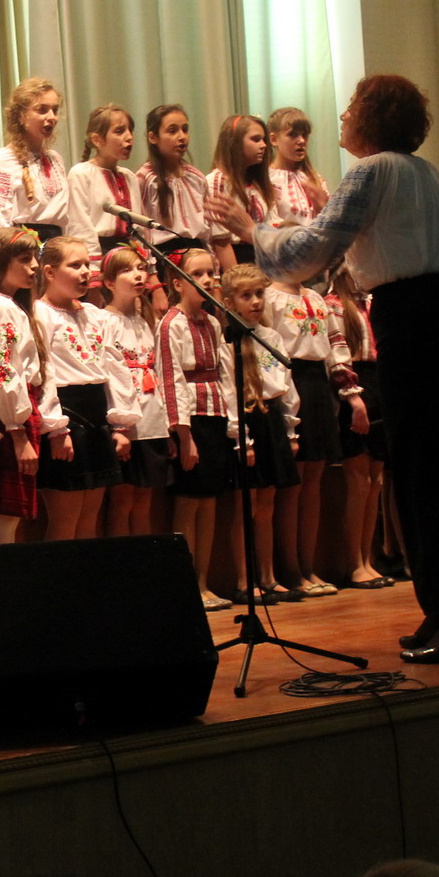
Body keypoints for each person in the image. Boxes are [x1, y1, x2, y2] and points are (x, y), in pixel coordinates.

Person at [207, 73, 439, 664]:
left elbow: (309, 253)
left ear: (373, 119)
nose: (342, 116)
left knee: (425, 466)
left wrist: (249, 228)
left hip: (414, 318)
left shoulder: (371, 172)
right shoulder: (421, 170)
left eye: (351, 108)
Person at [263, 268, 360, 597]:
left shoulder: (316, 298)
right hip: (290, 381)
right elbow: (269, 346)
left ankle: (309, 566)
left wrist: (346, 390)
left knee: (315, 476)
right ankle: (291, 569)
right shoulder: (270, 297)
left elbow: (335, 345)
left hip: (318, 383)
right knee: (294, 481)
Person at [34, 236, 138, 540]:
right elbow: (44, 372)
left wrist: (120, 424)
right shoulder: (40, 314)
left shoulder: (95, 315)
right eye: (75, 265)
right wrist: (56, 429)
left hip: (96, 417)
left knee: (89, 521)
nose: (85, 272)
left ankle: (84, 573)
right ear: (50, 272)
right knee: (65, 522)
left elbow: (115, 369)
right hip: (66, 419)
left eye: (87, 265)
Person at [156, 247, 234, 610]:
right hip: (191, 421)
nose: (206, 281)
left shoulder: (213, 322)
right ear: (177, 283)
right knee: (189, 503)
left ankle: (204, 581)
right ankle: (188, 586)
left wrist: (234, 424)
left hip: (215, 415)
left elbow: (226, 373)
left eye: (210, 274)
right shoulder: (171, 324)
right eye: (197, 274)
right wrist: (184, 435)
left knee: (210, 502)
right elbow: (170, 379)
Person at [219, 264, 301, 604]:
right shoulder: (229, 342)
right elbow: (229, 391)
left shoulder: (272, 337)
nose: (255, 301)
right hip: (248, 423)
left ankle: (268, 576)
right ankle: (244, 580)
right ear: (228, 301)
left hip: (272, 421)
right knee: (246, 505)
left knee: (267, 504)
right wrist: (242, 439)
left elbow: (287, 386)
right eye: (246, 296)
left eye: (259, 294)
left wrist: (291, 429)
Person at [0, 226, 49, 544]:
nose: (34, 266)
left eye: (34, 258)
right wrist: (17, 433)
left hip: (20, 411)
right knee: (5, 513)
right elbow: (1, 371)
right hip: (11, 418)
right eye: (24, 259)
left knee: (12, 515)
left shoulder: (11, 305)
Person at [324, 266, 394, 589]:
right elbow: (338, 358)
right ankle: (353, 563)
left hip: (379, 384)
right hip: (354, 387)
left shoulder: (371, 302)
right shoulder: (335, 305)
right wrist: (353, 398)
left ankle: (368, 559)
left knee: (376, 480)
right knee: (359, 481)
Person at [98, 247, 167, 536]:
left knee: (143, 501)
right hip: (125, 422)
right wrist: (119, 425)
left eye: (140, 268)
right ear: (109, 282)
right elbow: (107, 376)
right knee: (122, 499)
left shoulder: (148, 319)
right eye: (127, 270)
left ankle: (144, 559)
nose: (138, 275)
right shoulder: (103, 320)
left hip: (152, 419)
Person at [137, 104, 231, 262]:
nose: (182, 136)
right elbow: (140, 233)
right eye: (172, 131)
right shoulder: (145, 178)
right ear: (153, 137)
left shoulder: (196, 178)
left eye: (185, 130)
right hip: (163, 257)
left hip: (198, 256)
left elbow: (211, 234)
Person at [0, 77, 68, 242]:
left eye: (55, 110)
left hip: (57, 245)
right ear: (21, 116)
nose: (52, 117)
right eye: (42, 110)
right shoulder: (3, 159)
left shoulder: (55, 160)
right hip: (23, 244)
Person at [67, 104, 143, 271]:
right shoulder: (81, 174)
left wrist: (144, 263)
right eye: (119, 131)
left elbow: (138, 227)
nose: (129, 137)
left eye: (130, 130)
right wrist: (93, 267)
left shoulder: (129, 176)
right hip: (100, 256)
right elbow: (80, 226)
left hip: (129, 258)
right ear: (97, 140)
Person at [203, 114, 278, 266]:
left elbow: (273, 226)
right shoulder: (216, 183)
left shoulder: (259, 184)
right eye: (256, 139)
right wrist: (237, 278)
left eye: (264, 139)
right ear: (234, 143)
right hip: (237, 260)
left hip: (265, 258)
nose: (264, 145)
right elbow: (221, 243)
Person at [267, 106, 330, 225]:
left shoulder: (315, 179)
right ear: (274, 139)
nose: (301, 141)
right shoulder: (268, 180)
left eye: (304, 135)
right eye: (293, 135)